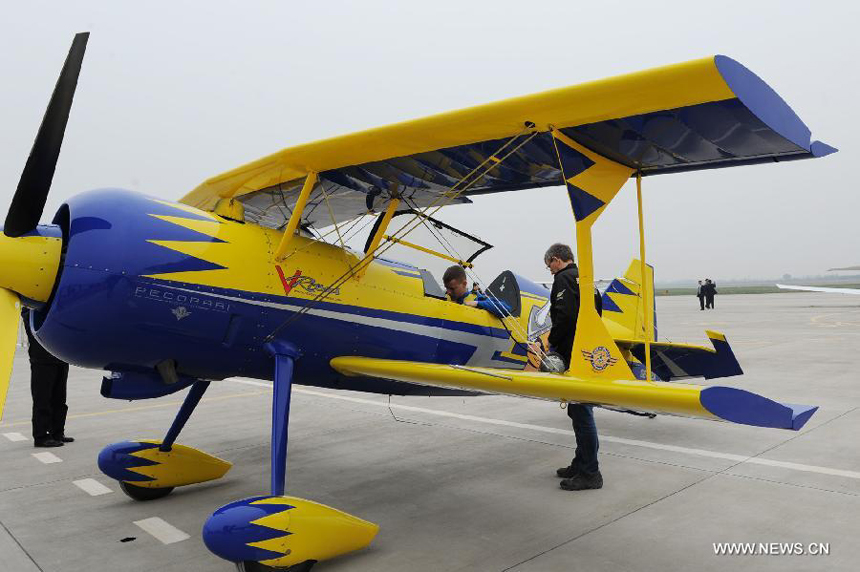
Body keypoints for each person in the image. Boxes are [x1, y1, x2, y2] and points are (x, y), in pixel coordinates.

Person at [543, 243, 603, 491]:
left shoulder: (564, 278)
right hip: (586, 350)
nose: (550, 271)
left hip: (573, 352)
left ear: (557, 260)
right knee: (578, 411)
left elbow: (564, 315)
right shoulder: (586, 279)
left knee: (581, 412)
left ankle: (590, 472)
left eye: (550, 266)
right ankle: (581, 463)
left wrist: (552, 343)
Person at [21, 308, 73, 448]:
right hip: (42, 360)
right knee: (42, 399)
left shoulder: (57, 310)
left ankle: (57, 432)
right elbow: (34, 330)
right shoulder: (31, 312)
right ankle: (41, 436)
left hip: (61, 357)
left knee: (60, 399)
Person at [443, 265, 509, 318]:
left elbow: (506, 309)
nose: (448, 292)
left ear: (464, 284)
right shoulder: (443, 297)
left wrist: (477, 303)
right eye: (446, 288)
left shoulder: (477, 298)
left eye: (452, 288)